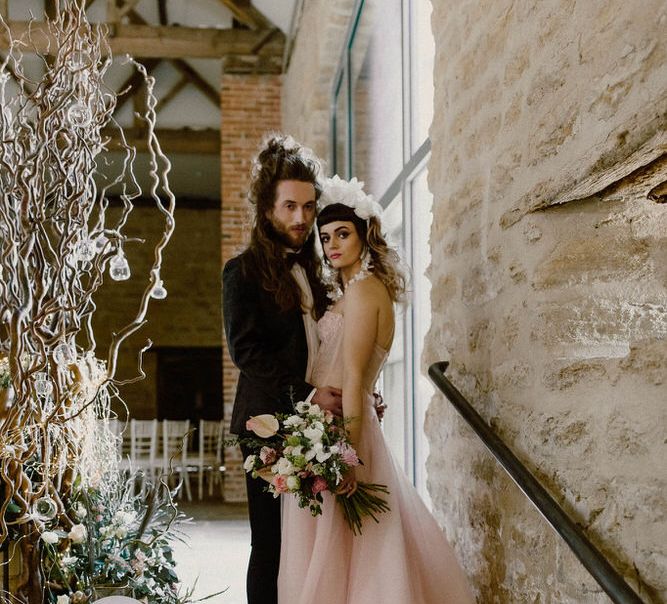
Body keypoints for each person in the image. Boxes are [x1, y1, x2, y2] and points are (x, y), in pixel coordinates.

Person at [277, 176, 475, 603]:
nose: (332, 245)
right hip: (330, 427)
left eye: (342, 234)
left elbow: (352, 376)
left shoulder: (366, 292)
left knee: (352, 546)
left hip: (344, 436)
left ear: (365, 235)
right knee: (343, 546)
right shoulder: (355, 291)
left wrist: (347, 456)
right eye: (325, 237)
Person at [223, 135, 343, 604]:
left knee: (313, 544)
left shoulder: (318, 270)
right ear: (268, 208)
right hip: (267, 425)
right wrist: (308, 396)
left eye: (309, 207)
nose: (301, 218)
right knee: (270, 544)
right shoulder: (242, 271)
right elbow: (247, 352)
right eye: (290, 206)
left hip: (319, 423)